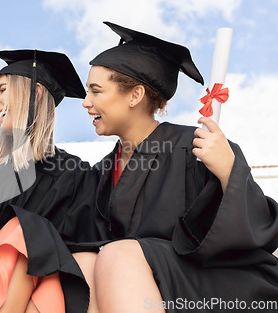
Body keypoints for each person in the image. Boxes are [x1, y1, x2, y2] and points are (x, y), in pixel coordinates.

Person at [82, 22, 278, 312]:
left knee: (117, 255)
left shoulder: (197, 146)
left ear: (135, 96)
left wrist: (227, 172)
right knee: (84, 263)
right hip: (136, 281)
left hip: (215, 283)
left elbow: (258, 229)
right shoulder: (102, 171)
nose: (86, 102)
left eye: (96, 91)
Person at [0, 50, 108, 312]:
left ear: (34, 93)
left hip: (40, 288)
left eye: (2, 90)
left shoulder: (73, 173)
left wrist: (12, 245)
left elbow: (70, 251)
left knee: (32, 239)